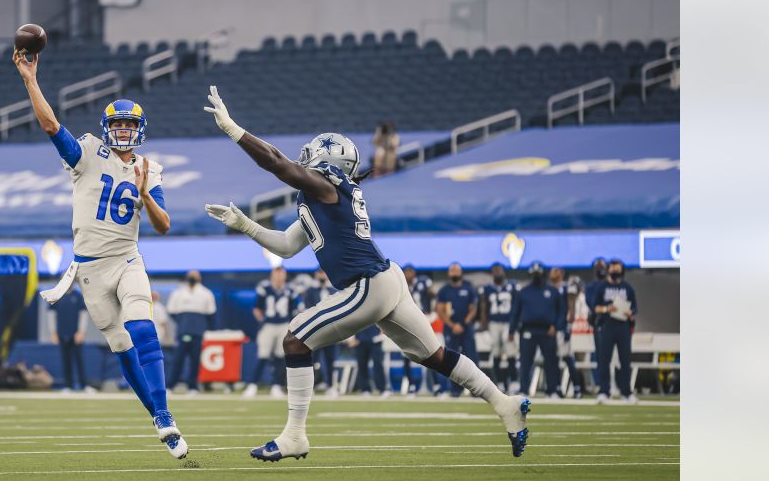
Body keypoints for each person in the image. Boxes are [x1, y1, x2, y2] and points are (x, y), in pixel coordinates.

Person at [202, 85, 530, 461]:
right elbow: (288, 246)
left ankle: (294, 436)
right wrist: (245, 224)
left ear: (326, 160)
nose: (303, 158)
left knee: (295, 341)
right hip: (386, 279)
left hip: (368, 285)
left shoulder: (328, 186)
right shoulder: (327, 197)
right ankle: (505, 404)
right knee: (434, 355)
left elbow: (277, 162)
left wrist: (232, 129)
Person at [15, 48, 187, 459]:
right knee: (121, 346)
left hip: (127, 258)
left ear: (140, 128)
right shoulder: (89, 152)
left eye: (129, 124)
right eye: (117, 124)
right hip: (90, 270)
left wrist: (145, 193)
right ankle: (157, 417)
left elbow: (164, 226)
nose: (123, 130)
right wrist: (30, 79)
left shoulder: (150, 168)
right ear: (107, 128)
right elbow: (51, 125)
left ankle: (164, 414)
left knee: (143, 327)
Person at [509, 262, 564, 399]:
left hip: (547, 330)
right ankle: (523, 389)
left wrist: (556, 326)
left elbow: (562, 311)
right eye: (534, 274)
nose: (536, 277)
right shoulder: (524, 292)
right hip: (528, 330)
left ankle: (552, 390)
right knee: (525, 361)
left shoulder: (552, 291)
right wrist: (512, 330)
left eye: (538, 274)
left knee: (551, 361)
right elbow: (515, 312)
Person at [245, 266, 299, 398]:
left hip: (283, 325)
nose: (280, 277)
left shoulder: (290, 290)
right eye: (277, 274)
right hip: (268, 325)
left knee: (280, 356)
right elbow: (256, 309)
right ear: (272, 275)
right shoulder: (264, 288)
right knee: (263, 355)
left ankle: (276, 385)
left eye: (282, 274)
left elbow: (295, 310)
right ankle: (252, 385)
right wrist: (262, 321)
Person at [591, 259, 638, 403]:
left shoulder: (627, 288)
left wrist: (630, 313)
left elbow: (635, 308)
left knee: (625, 360)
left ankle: (626, 392)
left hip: (623, 327)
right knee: (604, 359)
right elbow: (595, 307)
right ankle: (604, 391)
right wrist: (607, 309)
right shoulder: (602, 287)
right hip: (607, 325)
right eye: (613, 269)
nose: (616, 272)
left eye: (618, 269)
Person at [166, 270, 216, 394]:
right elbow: (171, 311)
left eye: (195, 276)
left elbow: (210, 313)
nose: (193, 278)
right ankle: (170, 386)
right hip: (183, 331)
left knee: (195, 360)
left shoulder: (206, 293)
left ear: (199, 278)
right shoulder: (178, 293)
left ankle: (193, 387)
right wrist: (183, 323)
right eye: (191, 276)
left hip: (197, 332)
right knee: (178, 359)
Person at [436, 263, 479, 398]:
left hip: (466, 329)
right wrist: (452, 325)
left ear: (461, 272)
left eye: (456, 270)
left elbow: (473, 309)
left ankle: (475, 389)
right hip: (450, 329)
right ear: (449, 273)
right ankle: (455, 389)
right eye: (452, 270)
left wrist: (463, 324)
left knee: (472, 358)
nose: (454, 273)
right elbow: (439, 309)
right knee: (451, 360)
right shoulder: (444, 290)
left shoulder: (469, 288)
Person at [480, 263, 519, 393]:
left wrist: (513, 326)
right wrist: (485, 328)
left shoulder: (512, 287)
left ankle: (513, 381)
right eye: (494, 271)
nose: (497, 273)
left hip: (508, 322)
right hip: (494, 323)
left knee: (511, 353)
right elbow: (484, 308)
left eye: (499, 270)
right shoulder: (487, 289)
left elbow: (516, 307)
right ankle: (500, 382)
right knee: (496, 353)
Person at [305, 270, 343, 397]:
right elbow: (307, 310)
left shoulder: (333, 291)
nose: (322, 275)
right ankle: (312, 386)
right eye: (320, 273)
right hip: (315, 330)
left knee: (330, 360)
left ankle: (331, 385)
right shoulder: (310, 291)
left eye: (324, 273)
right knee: (313, 360)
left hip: (330, 331)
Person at [400, 264, 435, 395]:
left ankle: (436, 385)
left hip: (424, 320)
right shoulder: (400, 285)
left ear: (414, 273)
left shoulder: (423, 282)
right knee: (407, 354)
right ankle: (411, 385)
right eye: (406, 272)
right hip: (408, 323)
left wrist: (431, 311)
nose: (408, 274)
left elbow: (433, 295)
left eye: (410, 271)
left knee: (431, 352)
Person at [550, 267, 584, 398]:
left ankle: (577, 388)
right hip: (552, 328)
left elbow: (572, 308)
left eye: (556, 271)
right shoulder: (549, 288)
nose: (553, 273)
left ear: (561, 273)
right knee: (554, 360)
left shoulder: (567, 287)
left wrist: (569, 326)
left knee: (568, 358)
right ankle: (557, 388)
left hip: (562, 327)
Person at [51, 286, 88, 392]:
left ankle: (84, 385)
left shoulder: (78, 295)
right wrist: (53, 332)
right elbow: (51, 314)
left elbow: (83, 313)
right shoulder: (57, 294)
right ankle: (68, 385)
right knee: (65, 360)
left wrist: (81, 331)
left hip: (76, 334)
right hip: (62, 333)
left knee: (79, 360)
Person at [583, 257, 608, 390]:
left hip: (614, 323)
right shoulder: (591, 286)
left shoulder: (612, 285)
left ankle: (613, 383)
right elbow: (592, 304)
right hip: (599, 322)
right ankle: (600, 384)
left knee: (613, 356)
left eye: (602, 266)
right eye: (598, 266)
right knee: (599, 354)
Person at [351, 325, 389, 396]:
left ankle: (382, 389)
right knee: (362, 365)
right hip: (360, 340)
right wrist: (351, 338)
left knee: (378, 365)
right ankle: (365, 389)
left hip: (375, 338)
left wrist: (382, 334)